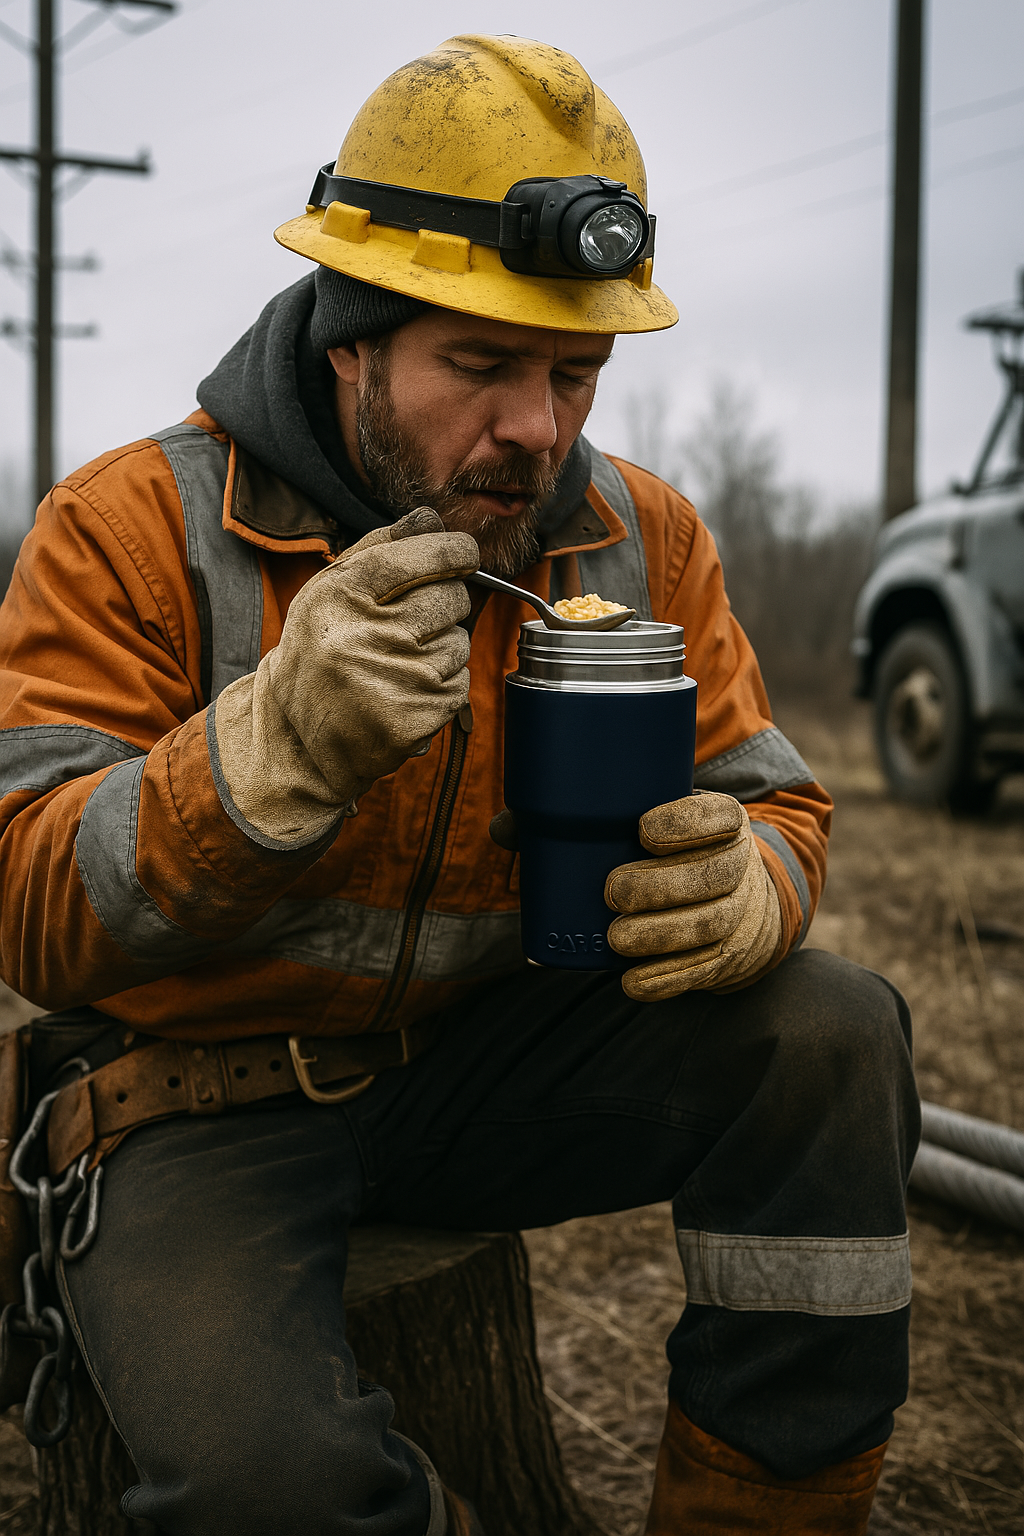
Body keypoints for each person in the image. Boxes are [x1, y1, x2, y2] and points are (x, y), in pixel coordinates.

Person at [0, 34, 918, 1535]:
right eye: (483, 366)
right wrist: (257, 761)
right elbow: (24, 901)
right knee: (265, 1491)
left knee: (830, 1031)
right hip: (198, 1107)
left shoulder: (641, 539)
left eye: (575, 374)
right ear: (349, 339)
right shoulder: (132, 527)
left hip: (491, 1070)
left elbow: (777, 795)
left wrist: (756, 885)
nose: (538, 431)